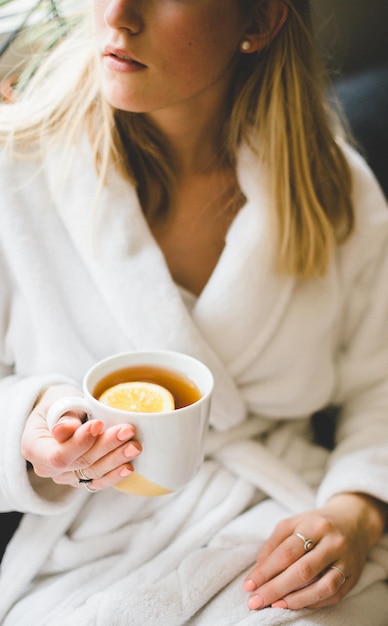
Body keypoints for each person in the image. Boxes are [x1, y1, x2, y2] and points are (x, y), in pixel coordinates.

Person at [0, 0, 387, 624]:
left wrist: (358, 512)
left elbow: (381, 385)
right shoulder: (13, 172)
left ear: (258, 22)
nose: (118, 14)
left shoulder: (334, 190)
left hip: (285, 521)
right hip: (89, 546)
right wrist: (26, 429)